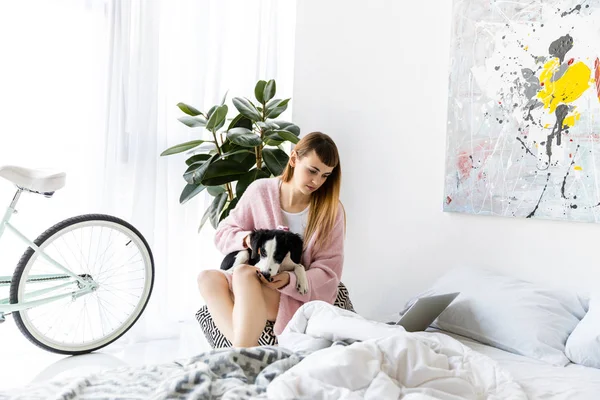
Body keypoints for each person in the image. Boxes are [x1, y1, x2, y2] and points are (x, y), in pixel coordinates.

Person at [197, 131, 346, 347]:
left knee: (244, 273)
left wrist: (289, 280)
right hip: (259, 281)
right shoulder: (261, 191)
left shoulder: (331, 212)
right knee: (207, 278)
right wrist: (249, 240)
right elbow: (223, 233)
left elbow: (329, 272)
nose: (317, 181)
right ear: (294, 159)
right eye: (312, 170)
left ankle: (242, 352)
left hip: (296, 294)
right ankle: (246, 349)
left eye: (325, 175)